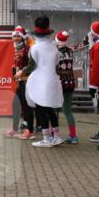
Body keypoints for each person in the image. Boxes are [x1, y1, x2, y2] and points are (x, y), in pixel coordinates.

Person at [23, 16, 64, 147]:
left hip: (40, 81)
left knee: (40, 109)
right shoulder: (54, 48)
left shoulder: (34, 48)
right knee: (50, 109)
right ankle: (56, 136)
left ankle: (46, 139)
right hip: (53, 80)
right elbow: (56, 64)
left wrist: (21, 72)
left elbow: (31, 65)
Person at [4, 26, 36, 139]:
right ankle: (15, 128)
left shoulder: (28, 48)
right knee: (16, 103)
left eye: (18, 36)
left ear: (23, 37)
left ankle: (29, 131)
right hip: (20, 81)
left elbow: (32, 65)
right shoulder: (17, 48)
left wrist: (22, 72)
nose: (16, 38)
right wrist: (16, 71)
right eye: (14, 36)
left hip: (27, 81)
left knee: (27, 106)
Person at [54, 30, 79, 144]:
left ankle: (54, 135)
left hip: (58, 83)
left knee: (53, 110)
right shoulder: (70, 51)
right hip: (70, 83)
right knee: (68, 110)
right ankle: (73, 136)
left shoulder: (55, 52)